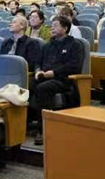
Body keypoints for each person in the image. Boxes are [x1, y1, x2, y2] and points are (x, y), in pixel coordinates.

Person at [30, 16, 83, 145]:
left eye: (56, 25)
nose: (52, 28)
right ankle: (27, 122)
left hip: (63, 79)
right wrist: (38, 71)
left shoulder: (75, 45)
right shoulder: (47, 45)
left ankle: (43, 129)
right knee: (27, 84)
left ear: (65, 28)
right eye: (51, 26)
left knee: (43, 88)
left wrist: (54, 73)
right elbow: (37, 62)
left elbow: (74, 66)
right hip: (44, 76)